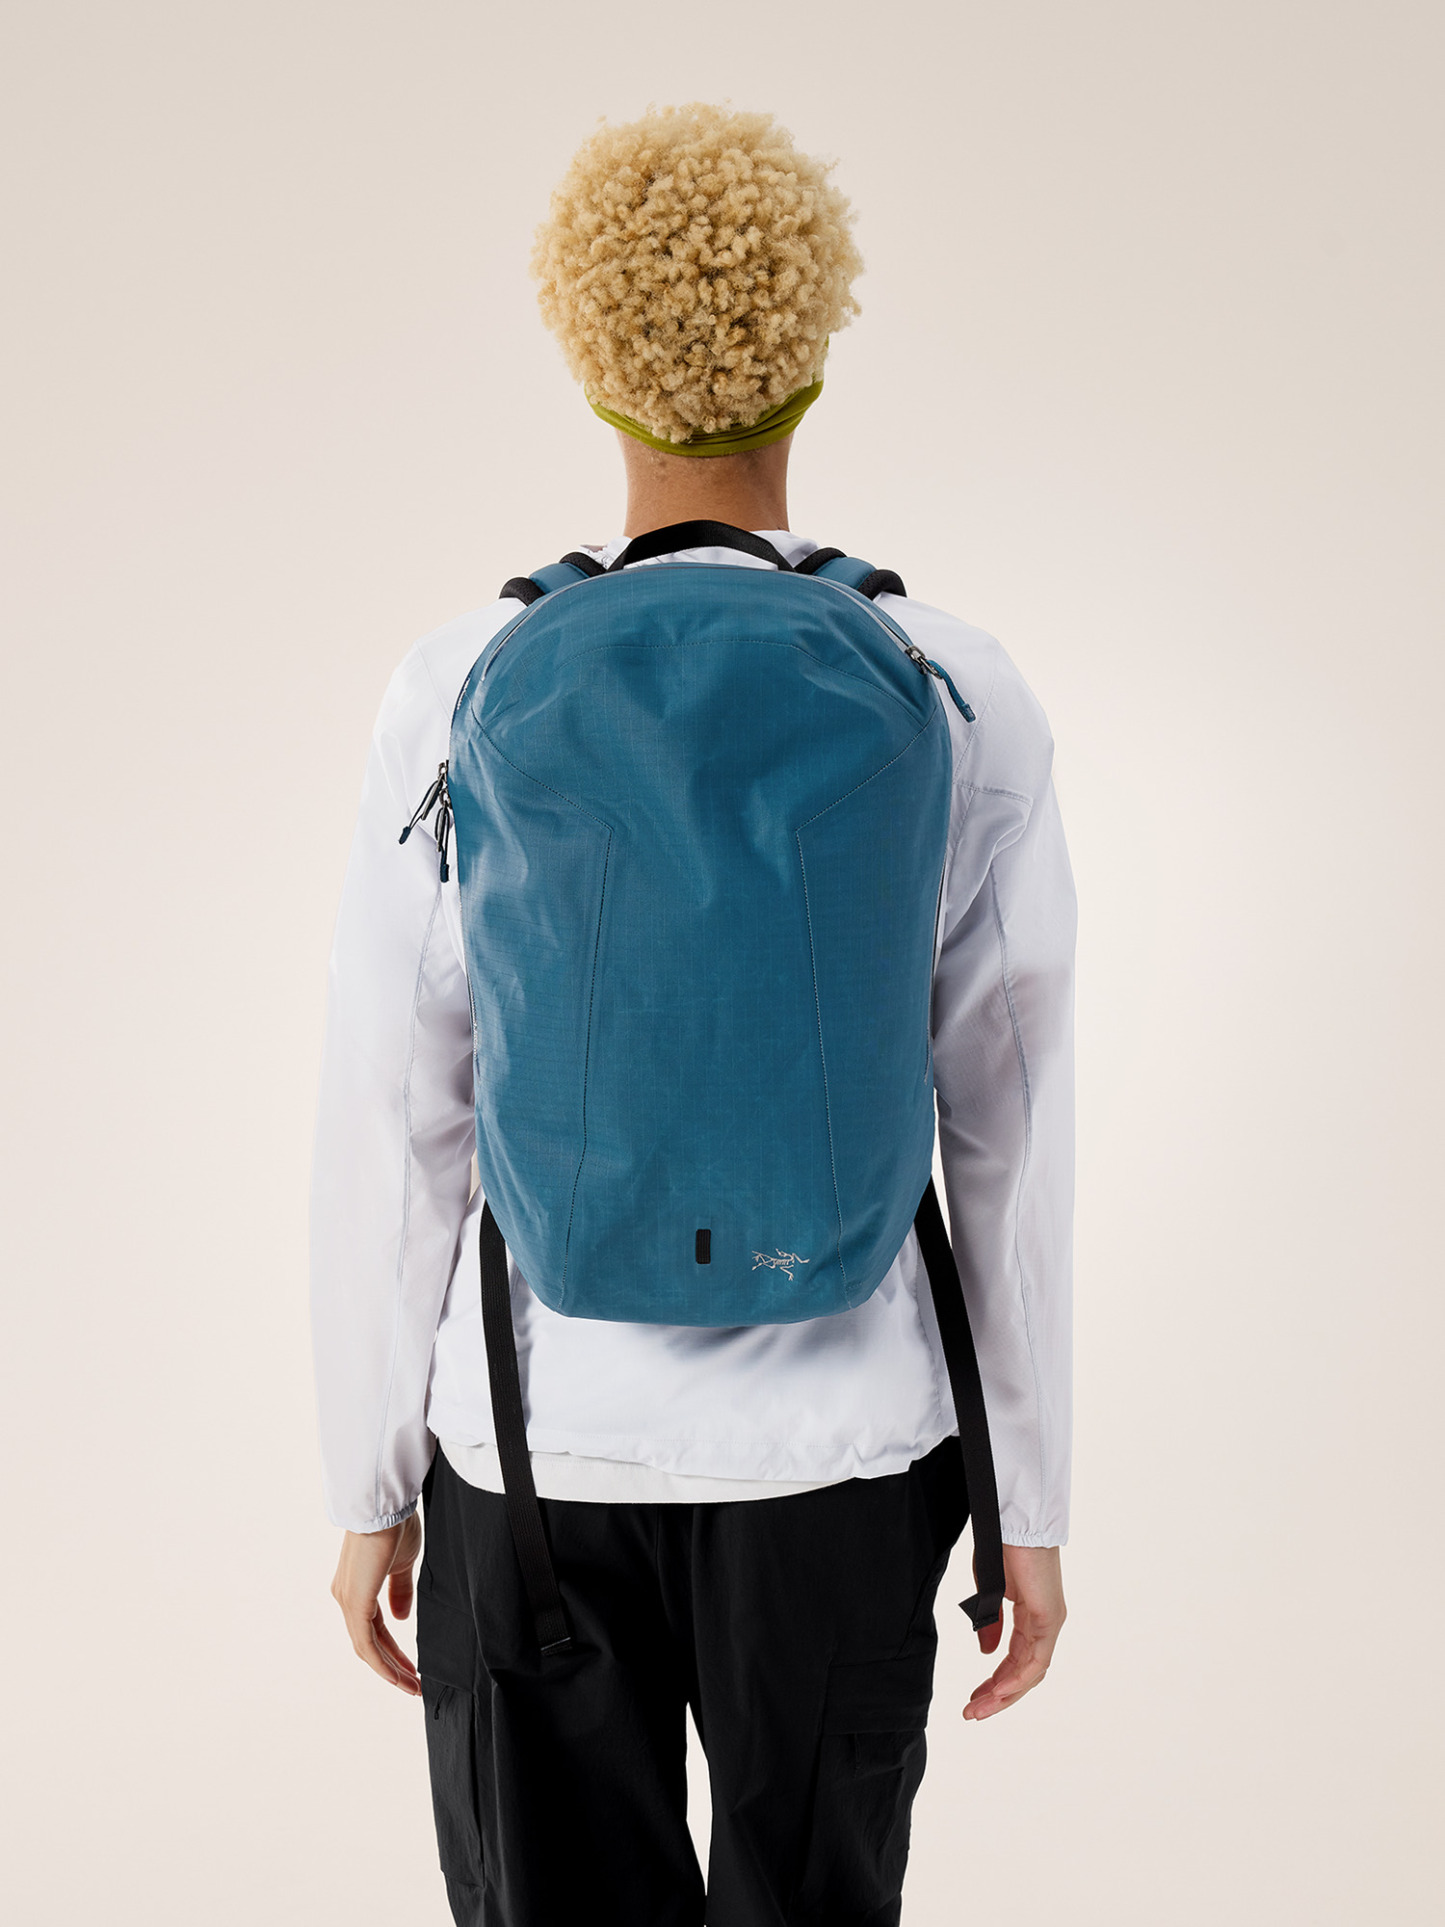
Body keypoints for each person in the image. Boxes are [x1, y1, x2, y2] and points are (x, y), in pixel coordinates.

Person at [312, 103, 1075, 1927]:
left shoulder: (459, 679)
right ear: (809, 361)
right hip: (844, 1455)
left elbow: (397, 1112)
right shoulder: (955, 682)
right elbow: (1009, 1121)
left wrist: (367, 1478)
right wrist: (1027, 1503)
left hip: (530, 1447)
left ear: (590, 367)